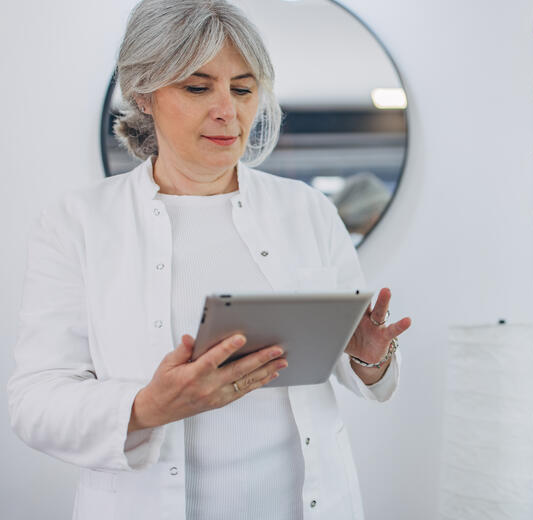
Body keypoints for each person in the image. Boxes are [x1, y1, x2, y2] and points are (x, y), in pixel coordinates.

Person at [6, 1, 410, 519]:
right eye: (198, 88)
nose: (228, 110)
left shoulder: (306, 210)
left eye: (243, 89)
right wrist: (146, 407)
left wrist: (368, 355)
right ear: (144, 95)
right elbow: (35, 400)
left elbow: (355, 372)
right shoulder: (76, 224)